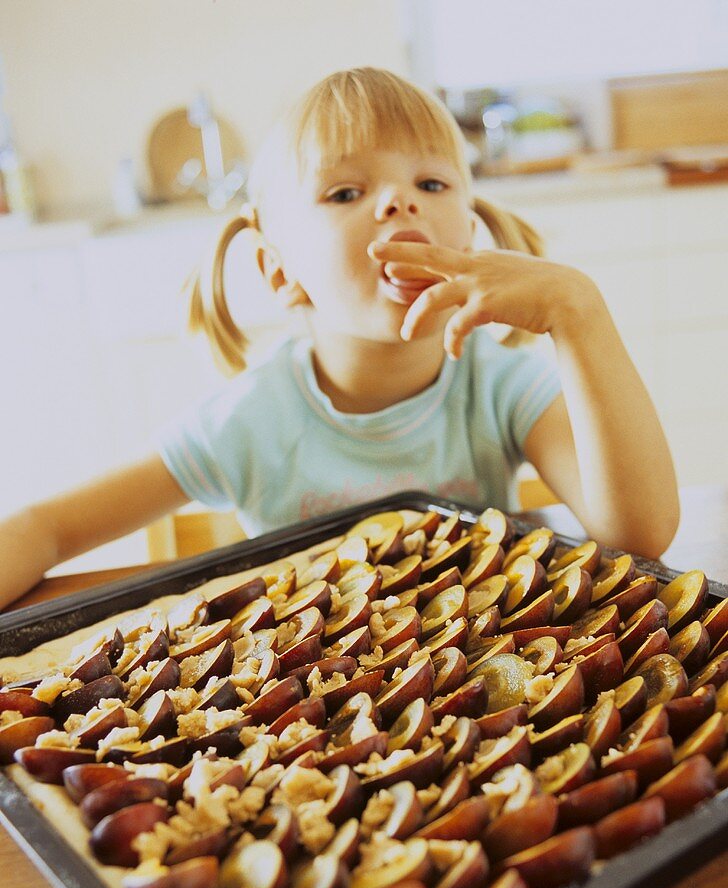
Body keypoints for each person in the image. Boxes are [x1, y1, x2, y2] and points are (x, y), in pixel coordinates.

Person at [0, 68, 679, 611]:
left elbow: (638, 536)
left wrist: (578, 311)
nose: (398, 203)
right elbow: (47, 529)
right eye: (347, 192)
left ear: (468, 236)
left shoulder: (497, 384)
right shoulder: (250, 421)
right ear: (280, 270)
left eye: (432, 182)